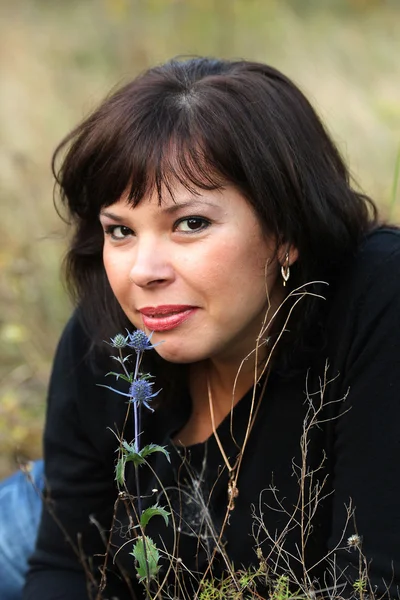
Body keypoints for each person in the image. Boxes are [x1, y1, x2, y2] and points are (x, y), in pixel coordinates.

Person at [10, 57, 399, 599]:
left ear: (286, 229)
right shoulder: (113, 330)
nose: (143, 272)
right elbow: (64, 564)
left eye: (190, 224)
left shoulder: (379, 299)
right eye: (119, 231)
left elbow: (373, 585)